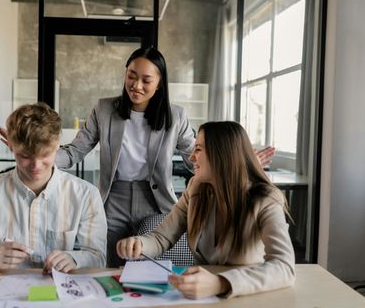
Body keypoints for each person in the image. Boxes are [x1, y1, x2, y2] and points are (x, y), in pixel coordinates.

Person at [0, 47, 275, 268]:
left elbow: (194, 157)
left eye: (146, 79)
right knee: (109, 263)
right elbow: (74, 152)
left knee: (150, 266)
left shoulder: (175, 115)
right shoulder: (104, 109)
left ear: (159, 83)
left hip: (156, 201)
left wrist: (239, 161)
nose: (136, 85)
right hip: (113, 197)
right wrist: (35, 151)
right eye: (131, 75)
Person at [116, 121, 295, 299]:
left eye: (198, 149)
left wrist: (220, 283)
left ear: (222, 155)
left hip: (245, 297)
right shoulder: (196, 188)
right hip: (199, 298)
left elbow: (284, 266)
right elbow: (163, 237)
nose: (191, 156)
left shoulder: (266, 199)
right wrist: (139, 244)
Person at [0, 102, 107, 273]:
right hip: (5, 294)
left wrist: (74, 259)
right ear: (10, 145)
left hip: (63, 294)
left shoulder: (86, 196)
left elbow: (98, 257)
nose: (36, 165)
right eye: (25, 156)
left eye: (45, 155)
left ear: (57, 144)